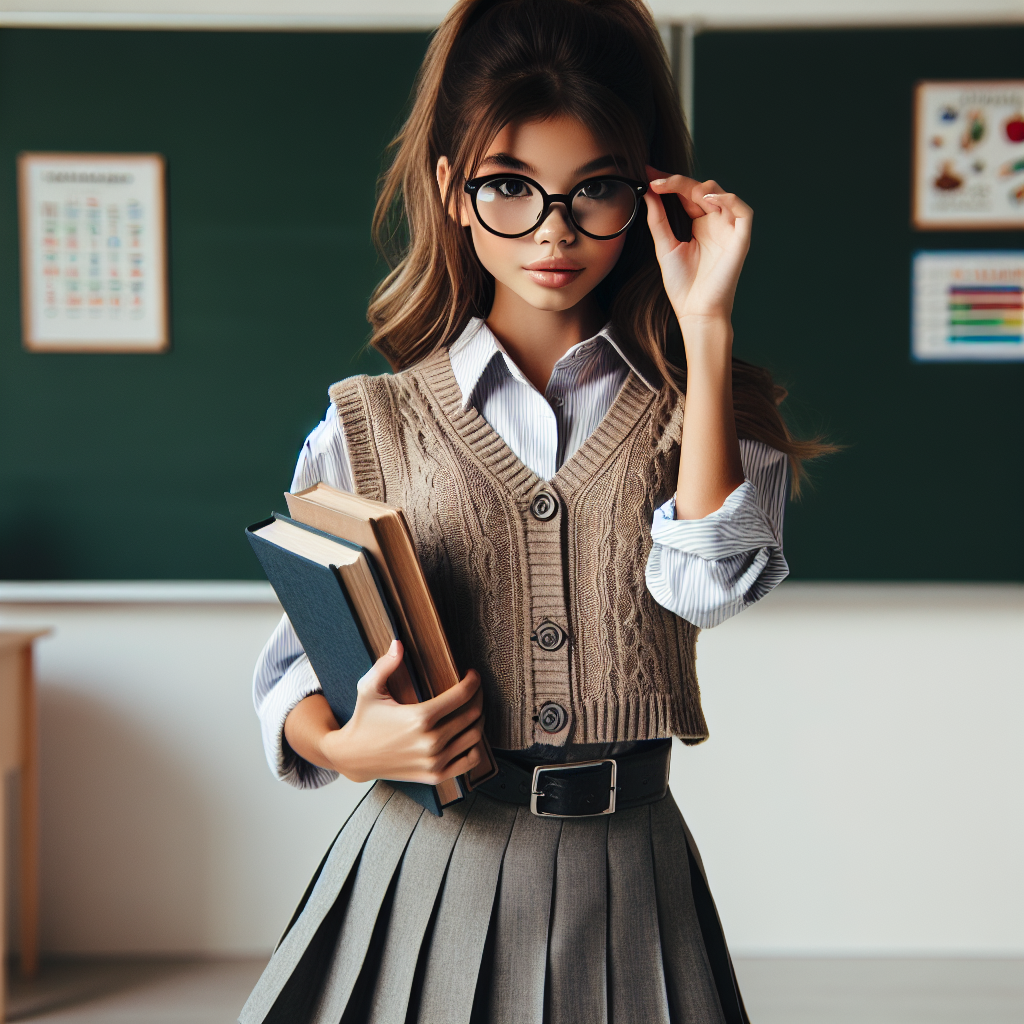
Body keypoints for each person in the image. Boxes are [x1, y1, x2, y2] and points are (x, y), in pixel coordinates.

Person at [241, 2, 829, 1022]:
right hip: (424, 870)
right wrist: (347, 745)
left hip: (630, 874)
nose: (554, 232)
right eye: (510, 186)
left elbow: (701, 589)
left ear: (649, 195)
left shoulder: (709, 411)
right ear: (450, 192)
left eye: (594, 190)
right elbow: (296, 667)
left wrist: (706, 326)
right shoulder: (363, 426)